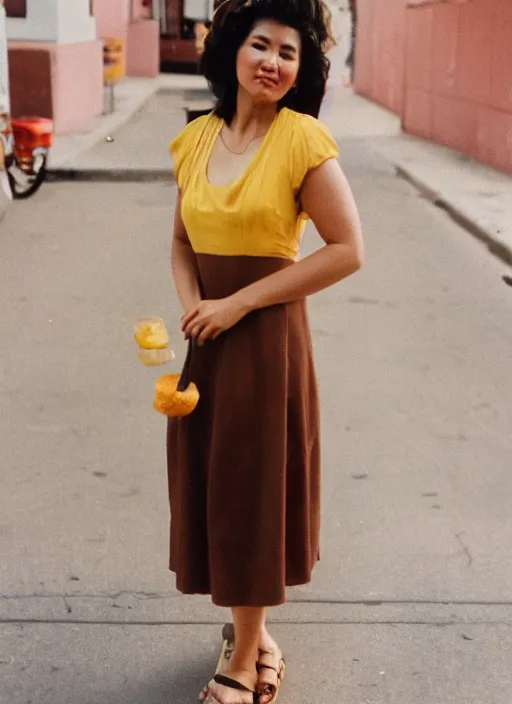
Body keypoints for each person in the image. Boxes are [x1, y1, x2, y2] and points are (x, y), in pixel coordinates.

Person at [167, 0, 364, 701]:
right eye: (261, 45)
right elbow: (183, 241)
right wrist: (194, 303)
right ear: (232, 52)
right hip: (208, 338)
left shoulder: (303, 140)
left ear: (302, 67)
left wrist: (239, 303)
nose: (274, 62)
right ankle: (255, 639)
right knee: (220, 491)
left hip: (265, 339)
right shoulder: (195, 139)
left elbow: (348, 250)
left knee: (252, 493)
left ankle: (245, 660)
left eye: (289, 51)